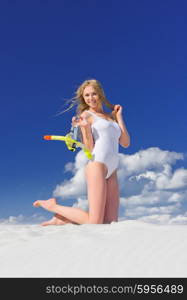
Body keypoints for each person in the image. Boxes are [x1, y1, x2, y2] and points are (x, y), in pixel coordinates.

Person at [33, 79, 130, 225]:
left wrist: (119, 117)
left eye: (94, 94)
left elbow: (125, 143)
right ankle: (53, 206)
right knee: (95, 223)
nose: (91, 98)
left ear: (100, 94)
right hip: (97, 165)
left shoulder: (111, 117)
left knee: (111, 224)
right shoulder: (86, 115)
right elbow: (89, 148)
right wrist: (84, 128)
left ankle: (62, 220)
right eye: (87, 96)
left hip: (113, 169)